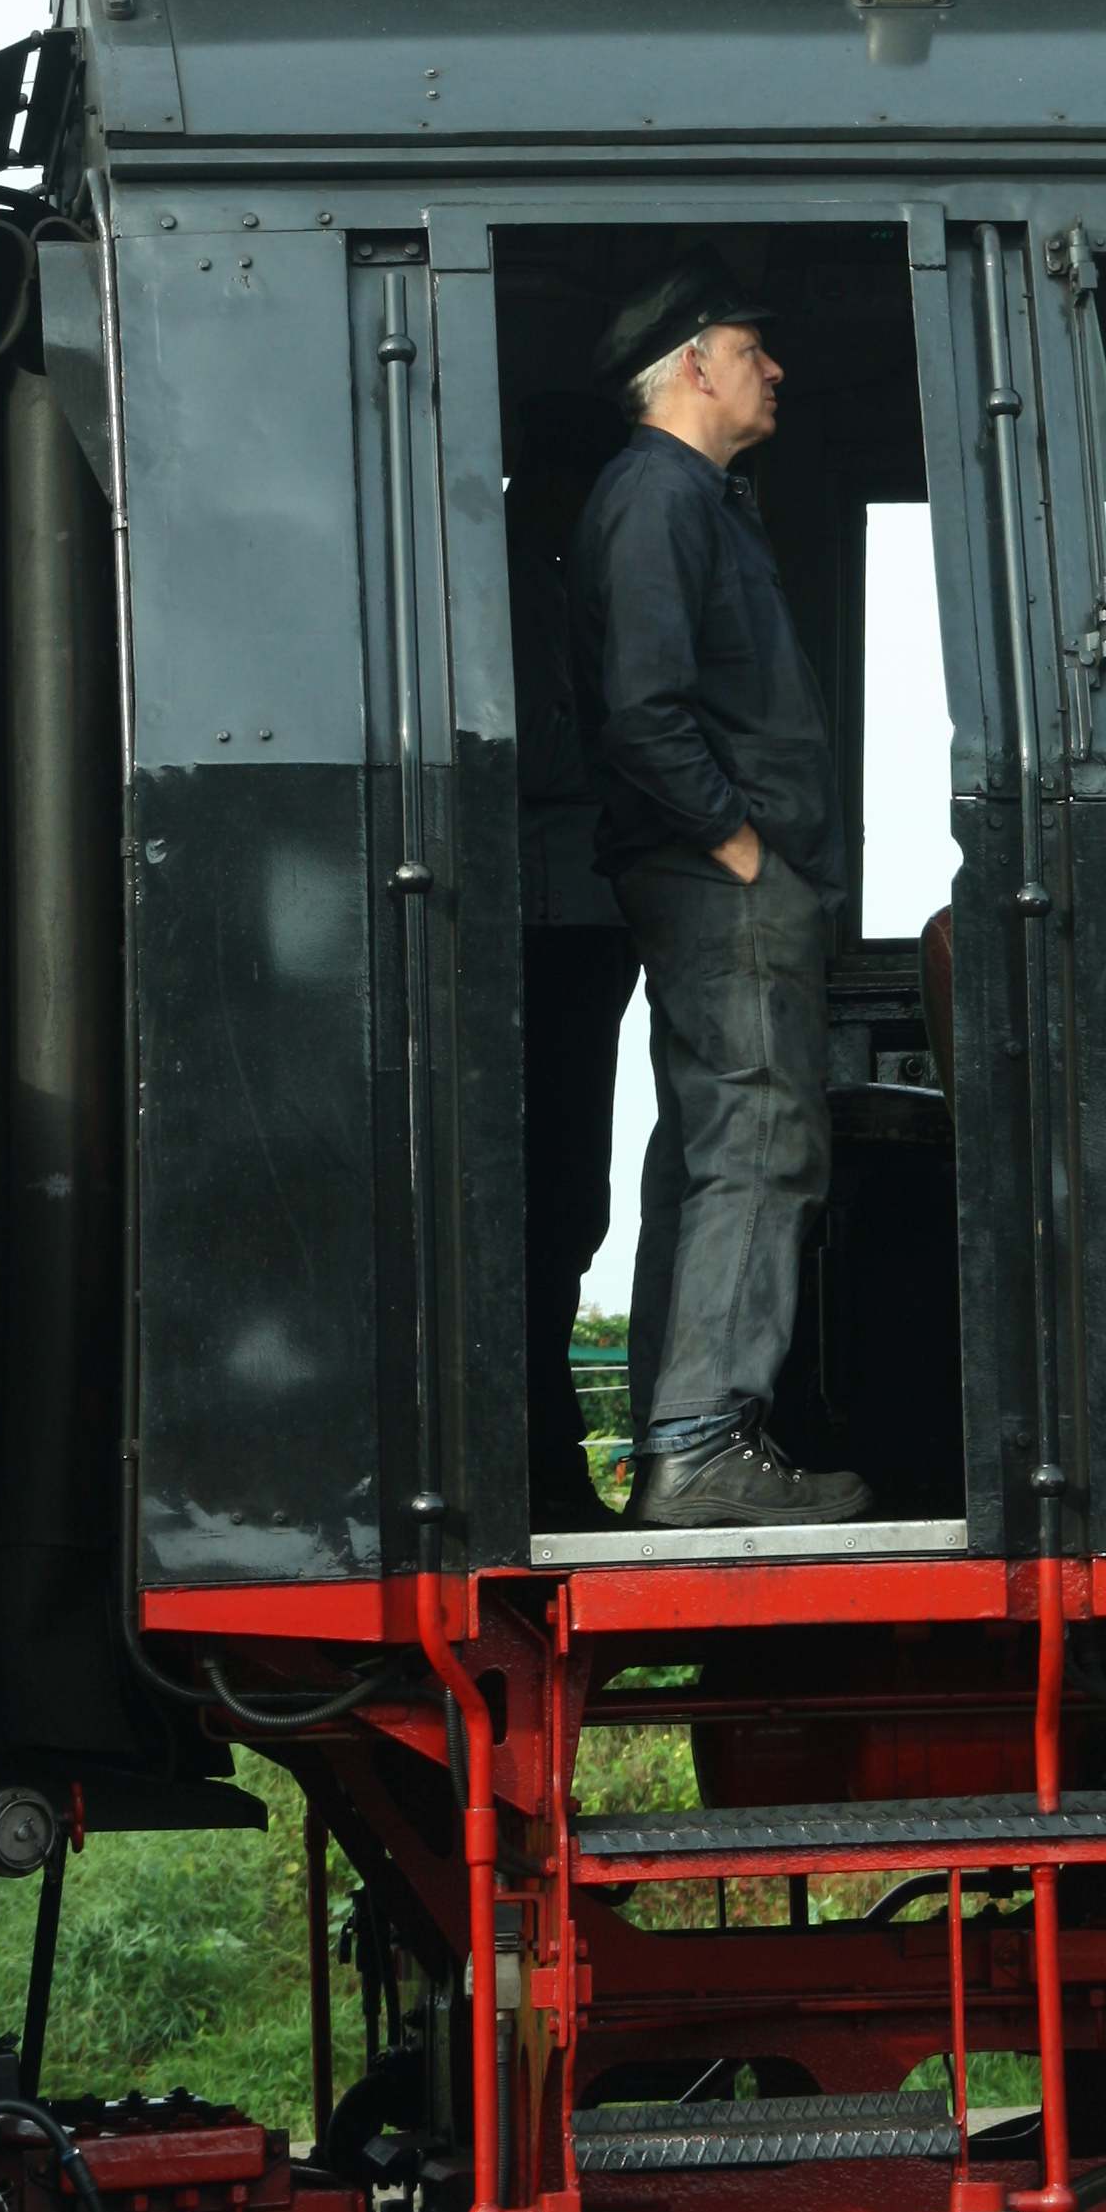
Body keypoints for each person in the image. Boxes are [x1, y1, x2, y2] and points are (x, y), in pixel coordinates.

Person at [571, 257, 873, 1529]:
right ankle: (701, 1446)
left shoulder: (695, 500)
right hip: (717, 883)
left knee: (710, 1151)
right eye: (755, 348)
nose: (775, 369)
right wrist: (740, 845)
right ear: (693, 363)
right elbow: (644, 708)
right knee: (758, 1141)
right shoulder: (659, 496)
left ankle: (676, 1442)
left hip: (718, 880)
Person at [506, 397, 639, 1535]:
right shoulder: (522, 584)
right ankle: (543, 1460)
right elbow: (535, 746)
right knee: (555, 1199)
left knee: (569, 1201)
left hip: (580, 913)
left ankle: (549, 1458)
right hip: (553, 915)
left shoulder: (549, 578)